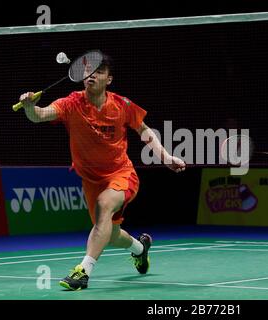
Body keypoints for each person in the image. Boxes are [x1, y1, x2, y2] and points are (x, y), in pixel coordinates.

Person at [18, 52, 186, 290]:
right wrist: (29, 106)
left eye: (98, 72)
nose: (91, 76)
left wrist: (165, 157)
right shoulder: (71, 103)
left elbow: (145, 130)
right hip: (90, 180)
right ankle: (140, 248)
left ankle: (83, 272)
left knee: (105, 205)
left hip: (121, 174)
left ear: (109, 79)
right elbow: (39, 116)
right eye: (88, 72)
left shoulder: (121, 105)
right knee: (112, 234)